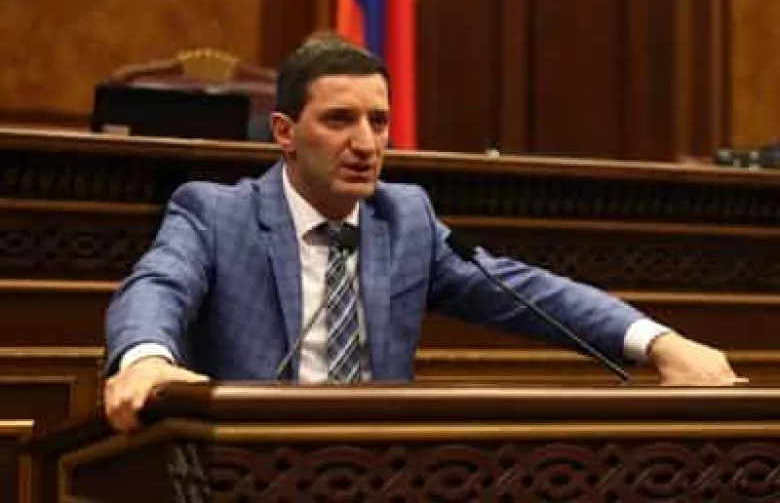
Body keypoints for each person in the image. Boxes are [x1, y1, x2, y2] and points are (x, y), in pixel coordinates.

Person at [104, 33, 745, 432]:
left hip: (381, 471)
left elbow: (529, 293)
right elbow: (157, 287)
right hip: (246, 467)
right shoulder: (217, 213)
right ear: (284, 132)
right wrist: (147, 358)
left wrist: (659, 343)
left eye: (379, 122)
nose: (366, 144)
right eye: (340, 120)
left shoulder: (403, 219)